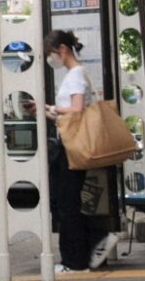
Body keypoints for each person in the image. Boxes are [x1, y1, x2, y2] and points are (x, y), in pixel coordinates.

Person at [42, 29, 119, 274]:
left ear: (62, 50)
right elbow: (68, 117)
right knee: (64, 203)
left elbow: (75, 110)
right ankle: (89, 246)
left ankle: (76, 260)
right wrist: (45, 112)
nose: (50, 58)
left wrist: (52, 107)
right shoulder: (75, 73)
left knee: (65, 205)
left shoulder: (75, 75)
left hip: (71, 148)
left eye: (50, 53)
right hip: (69, 143)